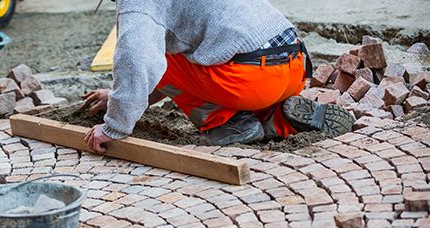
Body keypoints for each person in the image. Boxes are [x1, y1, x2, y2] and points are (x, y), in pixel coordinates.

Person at [82, 0, 355, 154]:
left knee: (160, 53)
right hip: (294, 66)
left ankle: (228, 125)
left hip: (252, 79)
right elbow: (177, 78)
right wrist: (118, 97)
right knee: (185, 55)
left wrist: (115, 126)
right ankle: (279, 119)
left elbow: (138, 60)